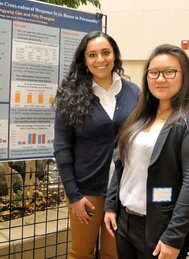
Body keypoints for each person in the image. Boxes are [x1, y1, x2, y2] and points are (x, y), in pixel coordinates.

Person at [103, 44, 189, 259]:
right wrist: (110, 206)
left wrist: (174, 237)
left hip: (159, 227)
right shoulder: (140, 117)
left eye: (169, 72)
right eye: (153, 73)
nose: (160, 79)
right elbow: (121, 164)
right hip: (125, 221)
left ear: (185, 76)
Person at [53, 31, 140, 259]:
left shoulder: (134, 93)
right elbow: (62, 148)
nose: (100, 59)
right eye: (92, 54)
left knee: (114, 254)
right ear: (84, 59)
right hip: (87, 192)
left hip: (122, 190)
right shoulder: (68, 95)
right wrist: (73, 195)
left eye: (105, 52)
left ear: (114, 55)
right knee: (81, 253)